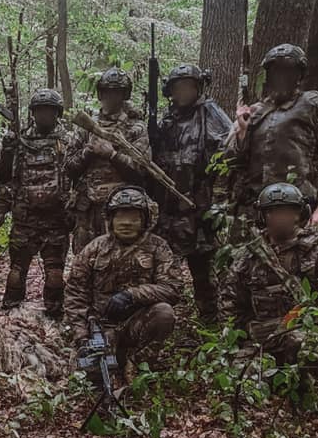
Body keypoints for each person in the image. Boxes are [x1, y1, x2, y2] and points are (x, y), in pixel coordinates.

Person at [226, 43, 318, 229]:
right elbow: (233, 162)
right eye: (276, 71)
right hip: (254, 209)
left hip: (297, 208)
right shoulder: (256, 111)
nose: (281, 77)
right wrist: (242, 133)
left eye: (288, 71)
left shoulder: (312, 105)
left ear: (299, 75)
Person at [64, 185, 182, 371]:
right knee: (91, 372)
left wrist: (132, 295)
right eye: (120, 216)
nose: (126, 223)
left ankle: (138, 362)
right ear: (110, 220)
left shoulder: (158, 247)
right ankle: (111, 355)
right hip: (100, 326)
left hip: (137, 323)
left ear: (144, 220)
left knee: (164, 313)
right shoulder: (95, 248)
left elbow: (172, 288)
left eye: (133, 218)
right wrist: (82, 335)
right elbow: (75, 295)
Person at [225, 182, 318, 365]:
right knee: (243, 377)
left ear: (300, 214)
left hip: (306, 338)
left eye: (288, 211)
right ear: (262, 216)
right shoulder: (247, 258)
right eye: (272, 211)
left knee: (302, 348)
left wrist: (312, 329)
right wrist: (246, 330)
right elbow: (231, 305)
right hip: (260, 342)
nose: (280, 217)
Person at [152, 63, 232, 324]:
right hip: (169, 207)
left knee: (202, 269)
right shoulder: (167, 119)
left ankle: (210, 320)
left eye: (188, 86)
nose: (183, 92)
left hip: (198, 205)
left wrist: (216, 197)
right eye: (178, 87)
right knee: (162, 267)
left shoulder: (209, 112)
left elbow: (228, 151)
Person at [0, 88, 72, 318]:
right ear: (33, 113)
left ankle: (53, 314)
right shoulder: (19, 141)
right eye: (40, 111)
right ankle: (11, 314)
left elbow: (76, 177)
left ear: (57, 113)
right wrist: (7, 149)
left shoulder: (67, 142)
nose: (44, 116)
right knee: (17, 271)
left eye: (48, 111)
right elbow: (4, 176)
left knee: (54, 273)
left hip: (55, 217)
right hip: (26, 218)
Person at [65, 67, 153, 251]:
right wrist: (89, 151)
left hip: (122, 209)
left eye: (116, 93)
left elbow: (141, 172)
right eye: (107, 92)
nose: (111, 97)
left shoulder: (135, 128)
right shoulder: (86, 126)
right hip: (87, 210)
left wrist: (112, 155)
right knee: (84, 261)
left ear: (124, 95)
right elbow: (69, 168)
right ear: (100, 93)